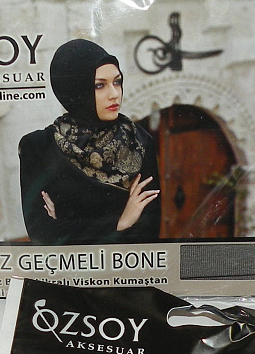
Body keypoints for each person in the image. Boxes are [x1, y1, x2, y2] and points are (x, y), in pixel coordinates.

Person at [19, 39, 160, 245]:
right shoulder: (38, 146)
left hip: (124, 266)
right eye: (99, 85)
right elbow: (42, 234)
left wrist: (65, 227)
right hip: (66, 266)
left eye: (117, 82)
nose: (114, 94)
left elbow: (148, 235)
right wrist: (120, 223)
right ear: (75, 90)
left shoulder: (139, 143)